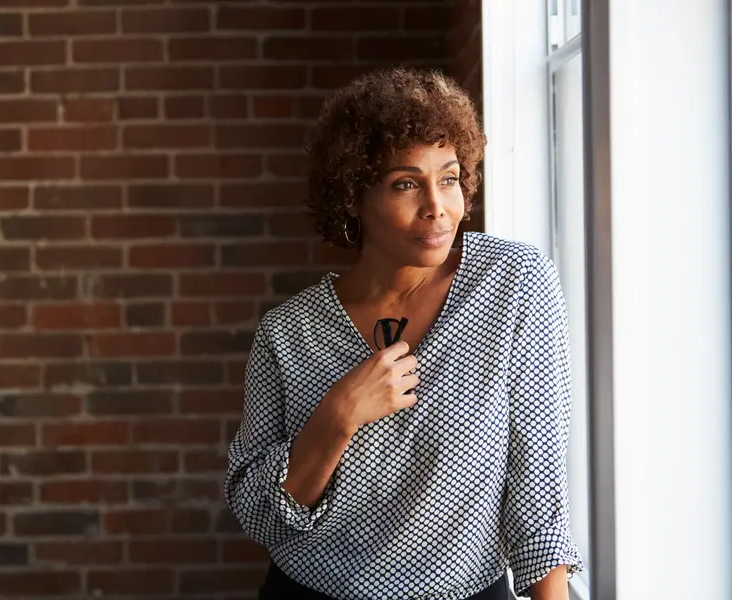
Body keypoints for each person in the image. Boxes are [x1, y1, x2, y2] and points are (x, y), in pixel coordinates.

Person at [225, 67, 584, 600]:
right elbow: (258, 514)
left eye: (449, 178)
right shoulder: (288, 332)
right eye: (406, 184)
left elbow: (539, 488)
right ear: (353, 196)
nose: (437, 206)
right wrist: (337, 417)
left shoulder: (513, 284)